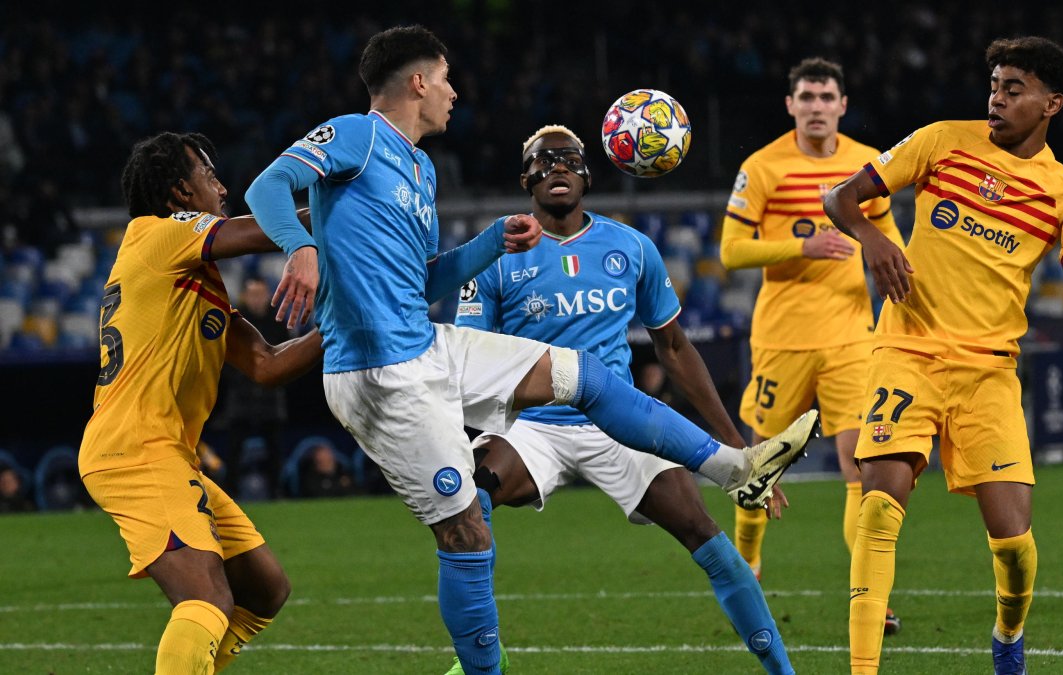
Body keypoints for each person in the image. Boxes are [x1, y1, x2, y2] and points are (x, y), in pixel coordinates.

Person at [245, 24, 814, 675]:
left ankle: (739, 466)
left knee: (585, 373)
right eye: (448, 78)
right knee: (466, 532)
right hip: (385, 374)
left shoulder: (421, 170)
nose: (456, 93)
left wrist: (489, 242)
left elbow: (419, 282)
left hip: (426, 346)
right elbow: (266, 188)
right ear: (419, 81)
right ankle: (483, 665)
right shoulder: (356, 133)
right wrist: (302, 247)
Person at [823, 37, 1063, 675]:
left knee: (1015, 545)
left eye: (1013, 88)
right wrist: (875, 238)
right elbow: (840, 198)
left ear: (1052, 103)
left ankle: (1008, 637)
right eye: (994, 84)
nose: (996, 97)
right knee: (881, 503)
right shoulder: (940, 140)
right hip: (906, 348)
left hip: (988, 370)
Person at [451, 125, 797, 674]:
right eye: (543, 161)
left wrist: (738, 446)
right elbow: (468, 358)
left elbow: (676, 349)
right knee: (468, 502)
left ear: (587, 175)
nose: (556, 168)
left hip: (619, 421)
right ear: (526, 180)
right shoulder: (496, 256)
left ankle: (783, 670)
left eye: (568, 159)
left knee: (704, 533)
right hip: (533, 426)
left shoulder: (631, 247)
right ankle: (479, 659)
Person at [78, 132, 323, 674]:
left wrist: (344, 325)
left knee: (263, 590)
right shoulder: (160, 235)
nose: (223, 186)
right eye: (208, 175)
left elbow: (267, 365)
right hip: (135, 449)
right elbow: (265, 231)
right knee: (207, 600)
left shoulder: (191, 278)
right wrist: (352, 208)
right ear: (176, 195)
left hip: (163, 452)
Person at [720, 57, 903, 632]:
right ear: (791, 105)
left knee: (861, 463)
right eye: (807, 97)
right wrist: (801, 248)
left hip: (853, 336)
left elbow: (888, 235)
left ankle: (869, 593)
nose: (817, 106)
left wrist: (906, 278)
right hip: (783, 338)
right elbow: (730, 252)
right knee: (762, 464)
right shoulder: (764, 165)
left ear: (842, 105)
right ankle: (747, 564)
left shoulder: (864, 165)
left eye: (827, 97)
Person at [216, 276, 293, 496]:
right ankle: (229, 493)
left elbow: (287, 354)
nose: (257, 298)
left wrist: (272, 378)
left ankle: (277, 492)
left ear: (268, 295)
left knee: (275, 448)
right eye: (252, 294)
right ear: (245, 296)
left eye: (260, 293)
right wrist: (247, 378)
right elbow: (225, 357)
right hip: (242, 393)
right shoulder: (235, 320)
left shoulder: (278, 320)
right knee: (234, 447)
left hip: (271, 393)